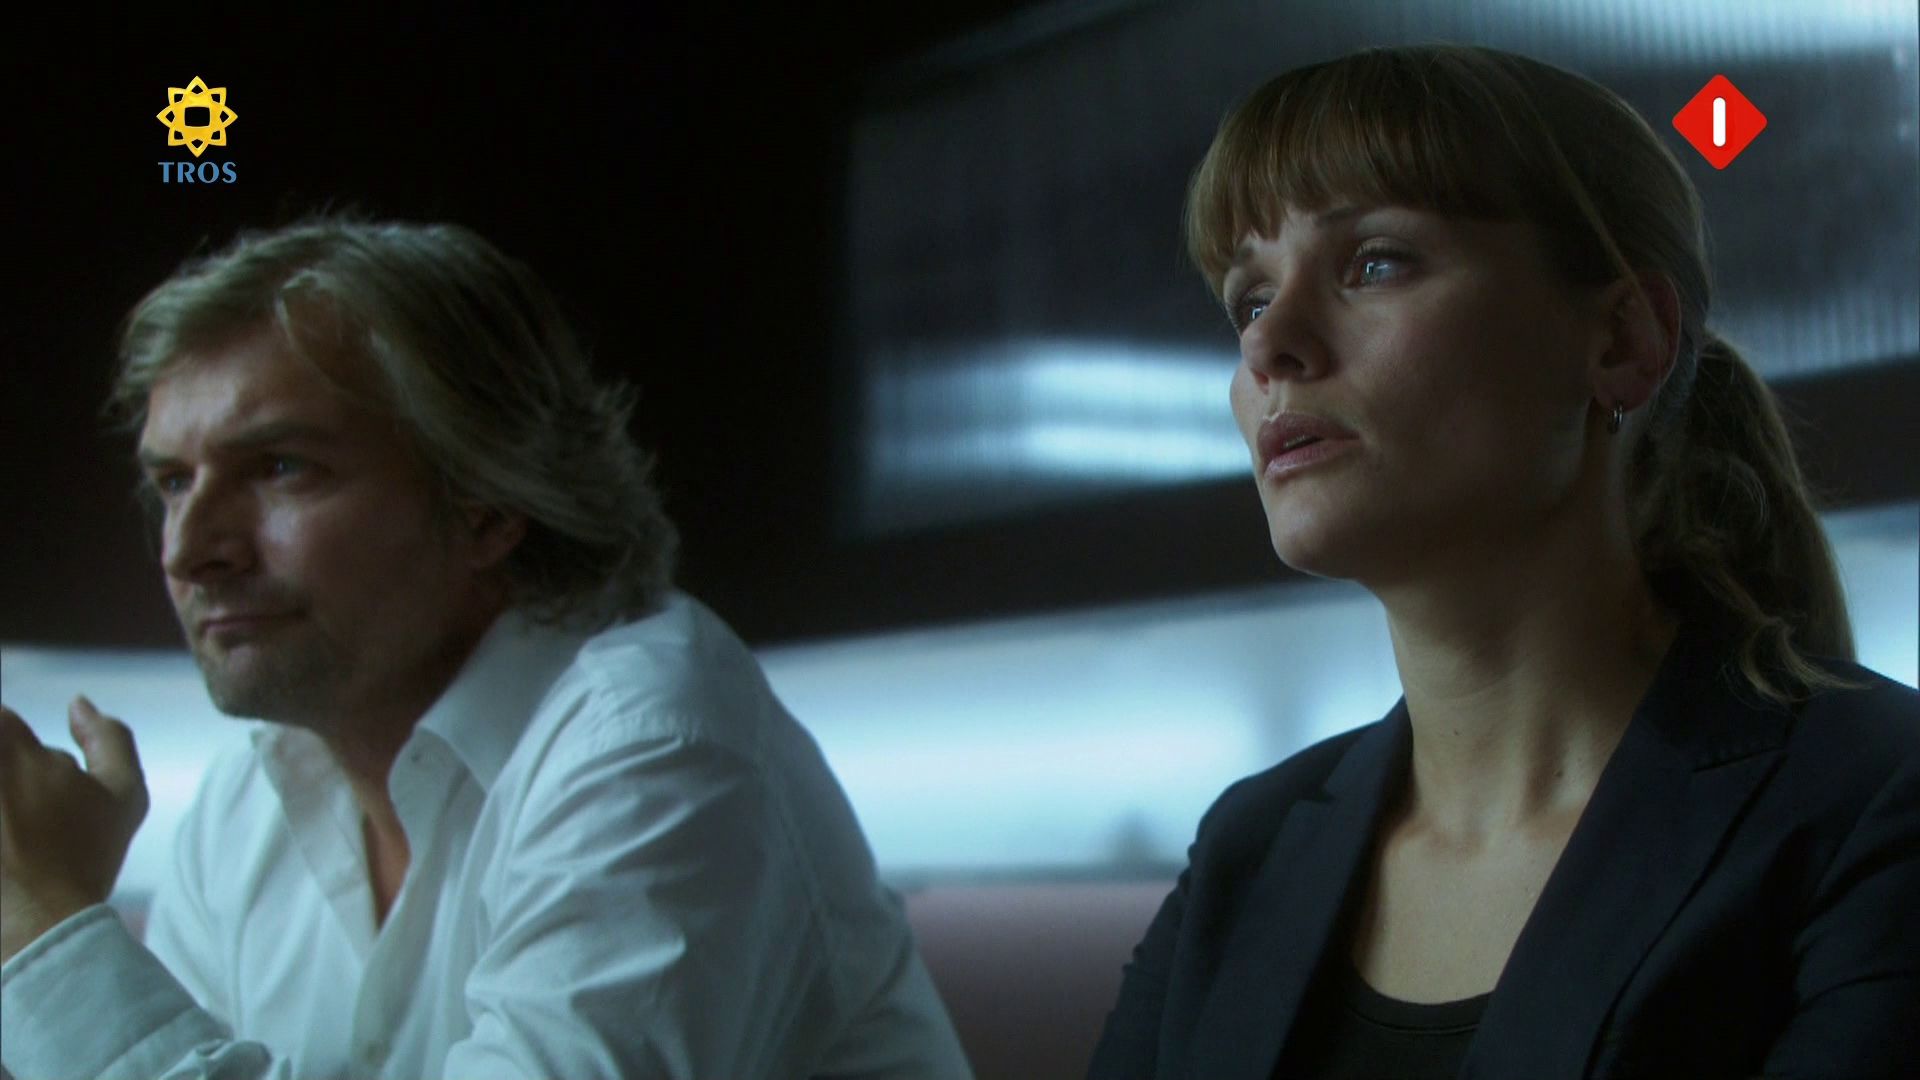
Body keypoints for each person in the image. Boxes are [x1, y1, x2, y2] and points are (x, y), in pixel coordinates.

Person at [1087, 44, 1919, 1078]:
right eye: (1249, 299)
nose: (1269, 346)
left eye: (1374, 262)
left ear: (1621, 343)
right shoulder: (1247, 846)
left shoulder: (1876, 800)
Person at [0, 219, 972, 1079]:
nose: (189, 550)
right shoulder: (240, 807)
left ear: (489, 504)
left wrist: (47, 930)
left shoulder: (651, 744)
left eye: (282, 467)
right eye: (174, 482)